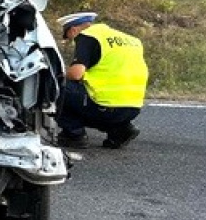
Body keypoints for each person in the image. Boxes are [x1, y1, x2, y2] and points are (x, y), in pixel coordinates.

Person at [54, 11, 149, 149]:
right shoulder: (131, 40)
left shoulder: (87, 36)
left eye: (69, 37)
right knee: (90, 99)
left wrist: (58, 74)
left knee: (54, 85)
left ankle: (74, 135)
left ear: (73, 30)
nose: (72, 41)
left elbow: (76, 74)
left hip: (104, 105)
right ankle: (120, 129)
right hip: (133, 108)